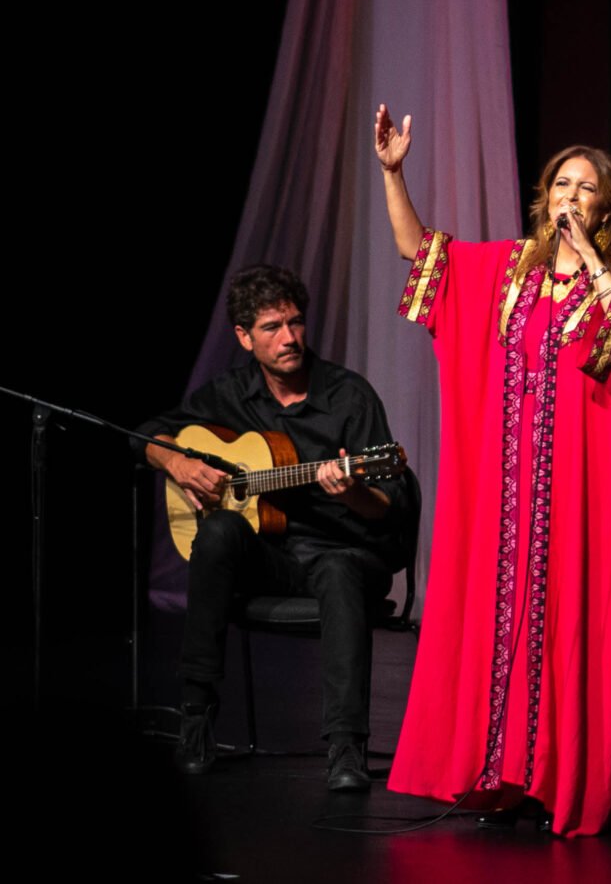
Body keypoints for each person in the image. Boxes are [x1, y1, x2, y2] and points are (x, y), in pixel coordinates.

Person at [372, 107, 611, 837]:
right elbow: (419, 251)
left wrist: (592, 260)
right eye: (561, 182)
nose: (570, 193)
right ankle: (501, 774)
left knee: (566, 620)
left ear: (607, 203)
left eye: (585, 186)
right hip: (504, 485)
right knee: (500, 619)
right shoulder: (506, 265)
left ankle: (559, 782)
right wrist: (392, 172)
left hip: (577, 486)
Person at [144, 265, 415, 790]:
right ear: (245, 337)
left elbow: (391, 507)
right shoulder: (230, 395)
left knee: (338, 570)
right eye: (271, 328)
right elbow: (150, 434)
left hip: (344, 552)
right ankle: (196, 716)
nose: (289, 338)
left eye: (294, 323)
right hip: (271, 555)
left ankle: (345, 748)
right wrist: (175, 463)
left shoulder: (349, 397)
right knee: (219, 531)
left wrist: (354, 488)